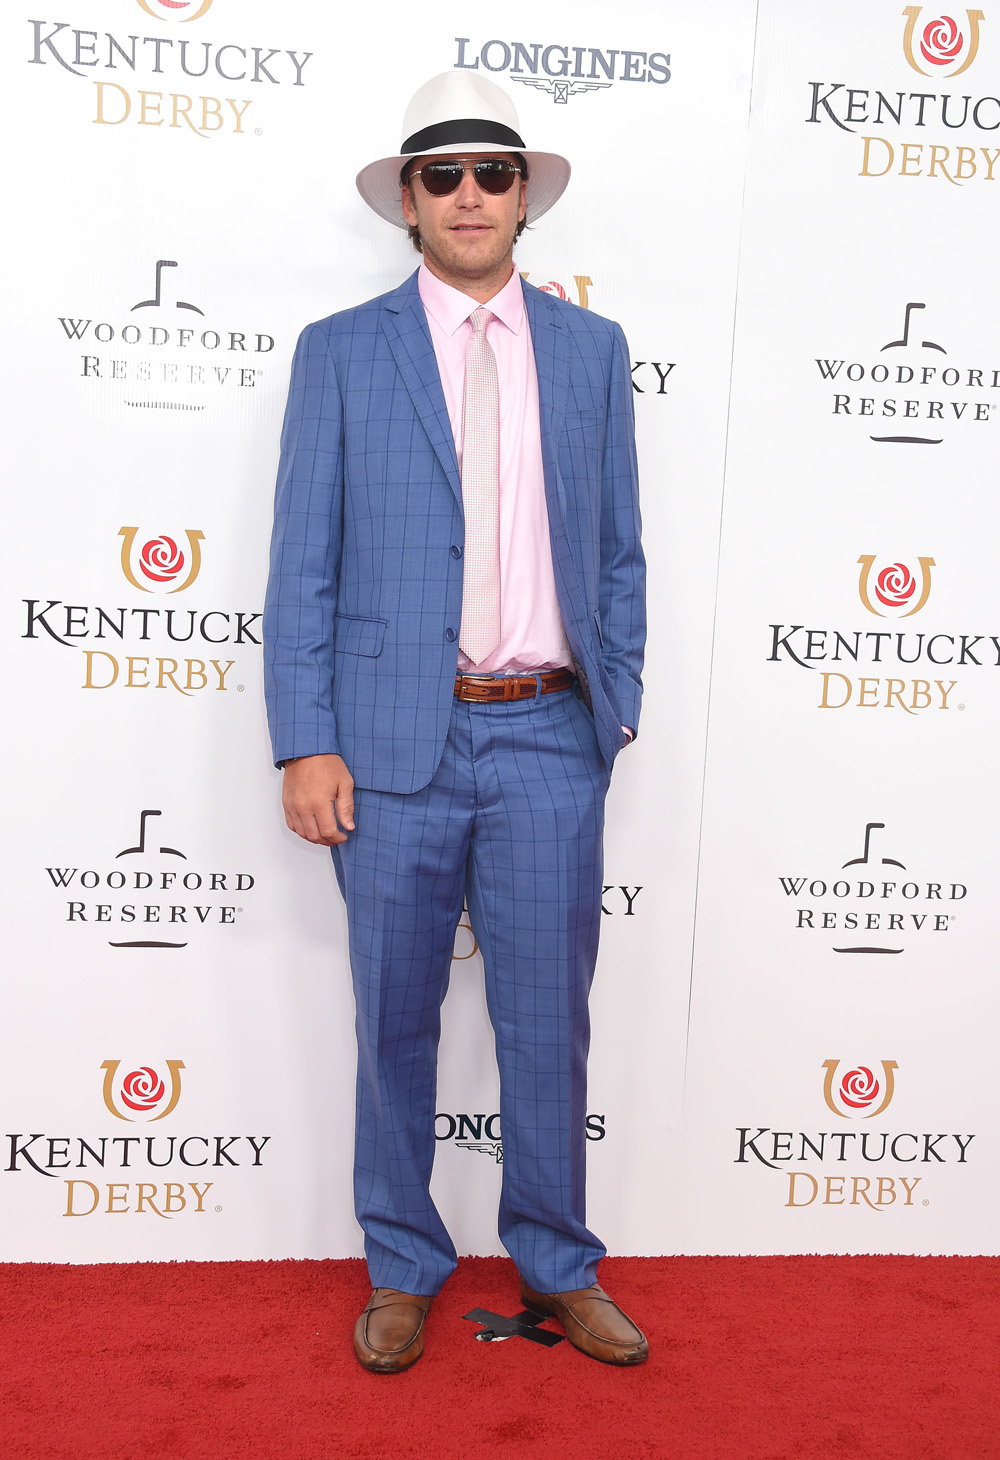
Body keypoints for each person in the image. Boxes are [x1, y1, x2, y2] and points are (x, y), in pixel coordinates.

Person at [263, 71, 646, 1371]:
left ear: (525, 196)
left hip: (548, 735)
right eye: (444, 176)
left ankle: (558, 1263)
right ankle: (403, 1262)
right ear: (409, 204)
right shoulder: (341, 351)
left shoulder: (592, 353)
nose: (471, 195)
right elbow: (301, 563)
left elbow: (618, 554)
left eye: (495, 173)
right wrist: (304, 736)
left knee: (551, 1019)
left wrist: (616, 713)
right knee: (394, 1016)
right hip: (386, 744)